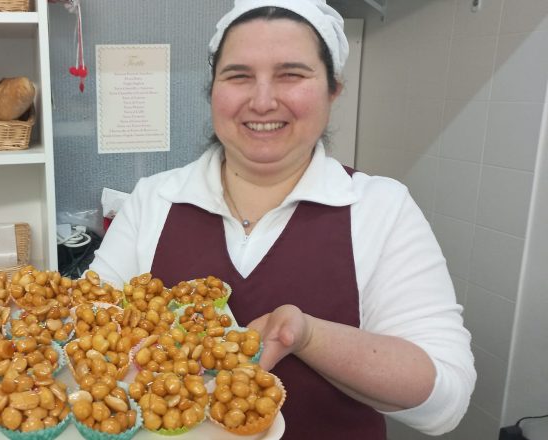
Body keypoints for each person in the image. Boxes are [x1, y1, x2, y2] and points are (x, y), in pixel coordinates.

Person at [88, 0, 476, 438]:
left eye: (291, 74)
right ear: (212, 90)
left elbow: (445, 401)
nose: (263, 100)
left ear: (333, 89)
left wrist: (308, 337)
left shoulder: (379, 208)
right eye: (238, 76)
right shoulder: (153, 200)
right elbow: (85, 338)